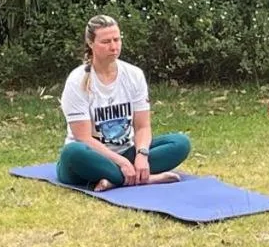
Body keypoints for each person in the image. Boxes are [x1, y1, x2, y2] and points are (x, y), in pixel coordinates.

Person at [56, 14, 191, 191]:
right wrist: (121, 162)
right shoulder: (77, 81)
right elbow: (83, 137)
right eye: (106, 42)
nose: (113, 47)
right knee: (73, 153)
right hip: (91, 156)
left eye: (117, 40)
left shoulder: (134, 75)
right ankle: (144, 178)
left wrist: (142, 155)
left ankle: (114, 179)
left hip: (127, 151)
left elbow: (142, 127)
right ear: (91, 43)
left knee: (180, 143)